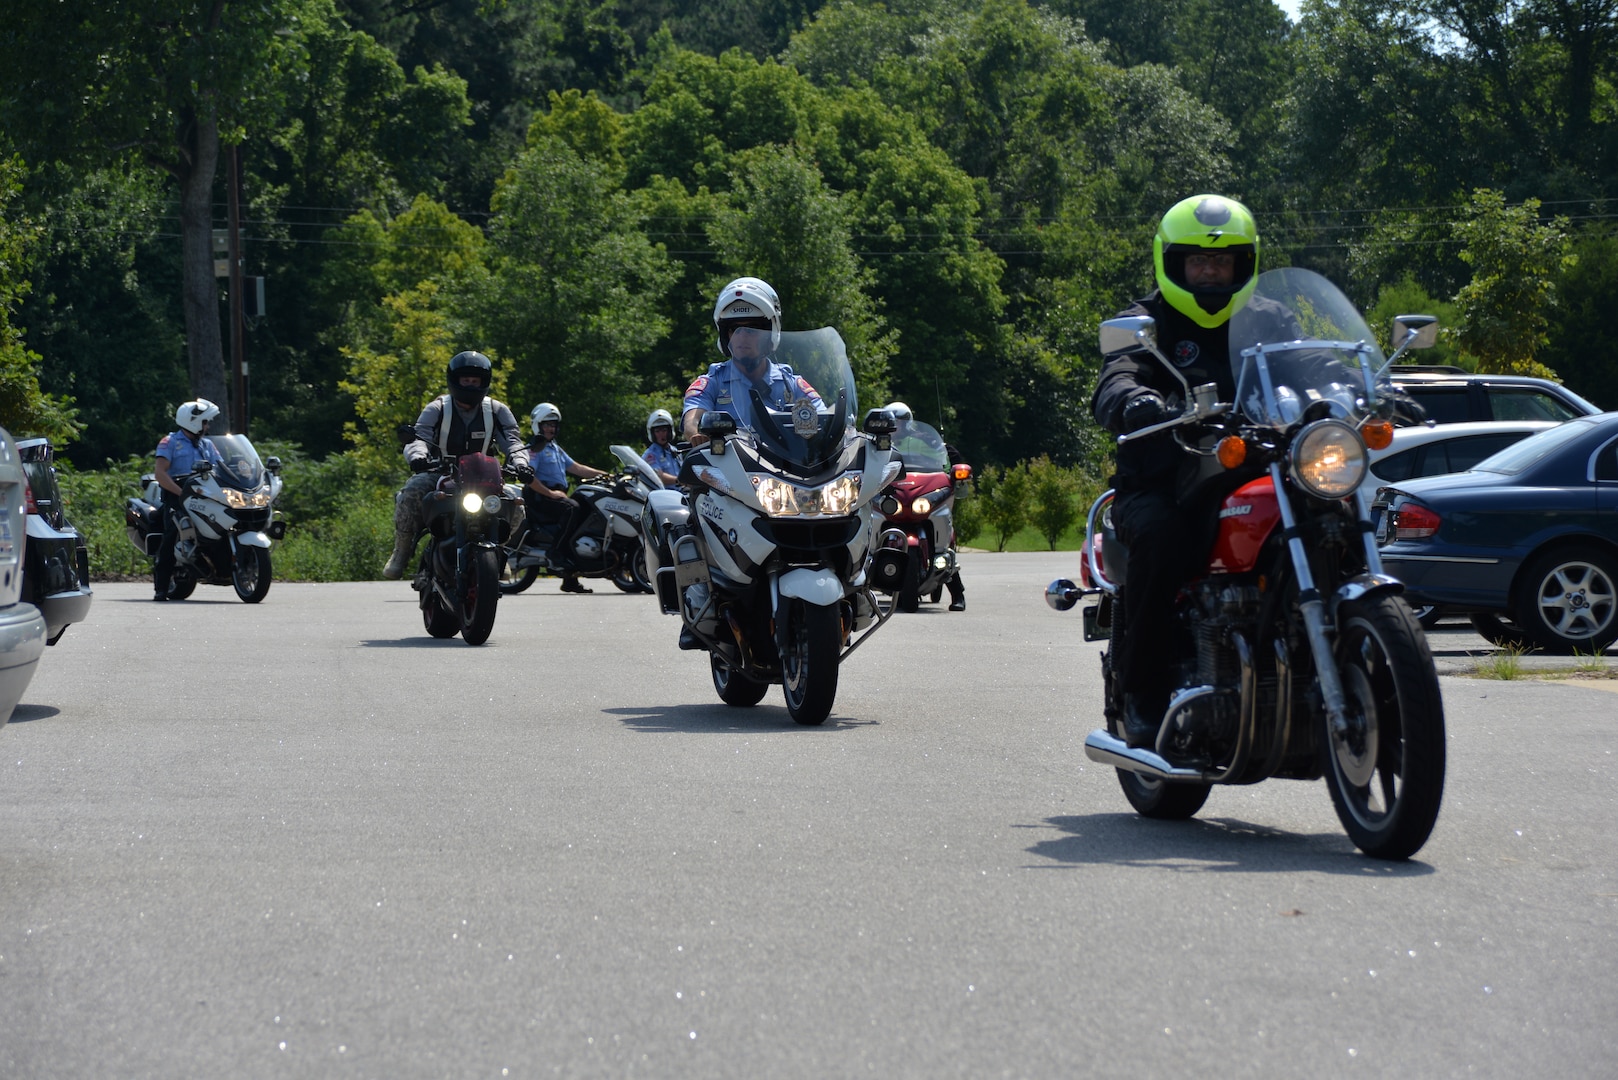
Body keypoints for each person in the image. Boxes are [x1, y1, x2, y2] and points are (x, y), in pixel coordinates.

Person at [1090, 194, 1300, 748]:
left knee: (1332, 512)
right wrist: (1131, 398)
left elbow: (1311, 365)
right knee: (1162, 540)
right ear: (1175, 263)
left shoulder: (1271, 320)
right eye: (1200, 262)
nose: (1211, 272)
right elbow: (1118, 374)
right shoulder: (1146, 322)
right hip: (1163, 480)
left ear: (1243, 265)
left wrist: (1372, 395)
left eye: (1223, 262)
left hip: (1256, 467)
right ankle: (1144, 693)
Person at [384, 351, 532, 580]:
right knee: (411, 493)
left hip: (483, 476)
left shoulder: (496, 410)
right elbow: (419, 437)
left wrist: (521, 464)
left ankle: (499, 551)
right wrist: (417, 457)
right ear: (455, 380)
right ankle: (401, 552)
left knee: (516, 503)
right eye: (466, 380)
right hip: (440, 472)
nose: (471, 385)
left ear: (484, 382)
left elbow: (513, 441)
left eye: (476, 381)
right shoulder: (437, 408)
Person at [682, 276, 823, 443]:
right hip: (729, 467)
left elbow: (824, 417)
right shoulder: (713, 382)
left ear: (769, 334)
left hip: (786, 467)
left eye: (751, 329)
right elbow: (692, 420)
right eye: (735, 329)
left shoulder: (789, 384)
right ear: (725, 335)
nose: (742, 337)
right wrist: (696, 435)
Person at [886, 401, 967, 612]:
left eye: (902, 422)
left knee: (943, 545)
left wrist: (955, 472)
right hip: (892, 493)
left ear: (909, 422)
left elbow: (949, 455)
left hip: (922, 491)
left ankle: (957, 594)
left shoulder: (926, 439)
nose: (898, 427)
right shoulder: (878, 441)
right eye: (894, 423)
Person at [523, 402, 607, 594]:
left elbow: (576, 467)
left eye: (553, 425)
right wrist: (551, 493)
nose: (551, 428)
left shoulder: (554, 447)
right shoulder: (535, 447)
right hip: (540, 496)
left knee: (585, 510)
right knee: (572, 508)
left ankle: (570, 579)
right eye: (547, 425)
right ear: (538, 425)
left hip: (553, 495)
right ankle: (555, 553)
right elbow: (529, 477)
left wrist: (605, 475)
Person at [151, 398, 225, 601]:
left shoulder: (208, 445)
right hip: (177, 497)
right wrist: (180, 493)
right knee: (172, 534)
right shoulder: (170, 442)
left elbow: (221, 468)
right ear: (193, 421)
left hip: (205, 496)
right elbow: (160, 473)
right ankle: (161, 587)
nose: (207, 426)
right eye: (204, 422)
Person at [642, 408, 682, 487]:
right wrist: (680, 481)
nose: (661, 434)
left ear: (670, 431)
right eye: (657, 431)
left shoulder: (675, 451)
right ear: (653, 434)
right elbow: (658, 477)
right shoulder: (650, 455)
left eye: (664, 430)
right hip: (663, 497)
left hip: (681, 494)